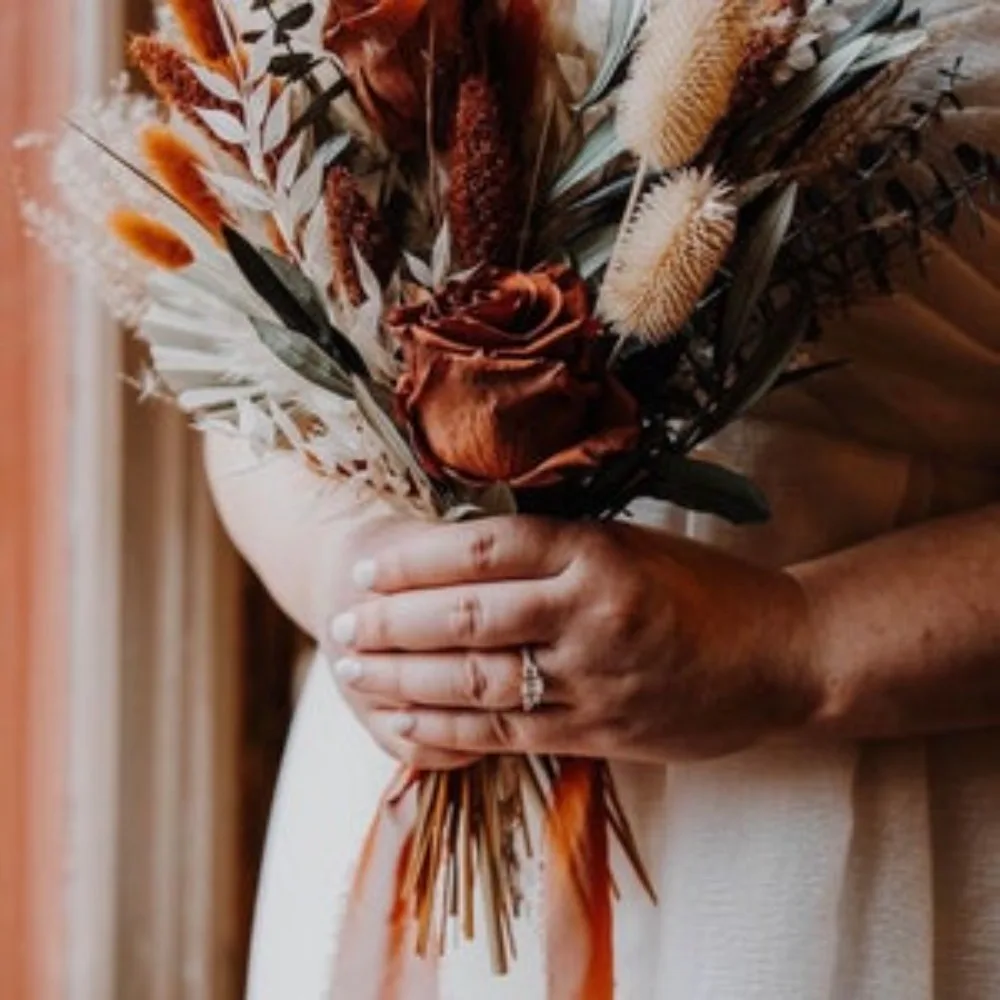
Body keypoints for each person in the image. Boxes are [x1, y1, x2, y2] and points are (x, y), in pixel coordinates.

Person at [211, 2, 1000, 997]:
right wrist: (377, 590)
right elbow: (236, 367)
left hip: (897, 798)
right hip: (415, 790)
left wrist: (798, 646)